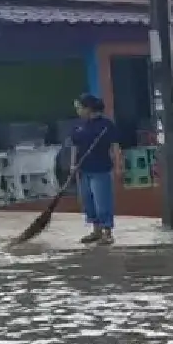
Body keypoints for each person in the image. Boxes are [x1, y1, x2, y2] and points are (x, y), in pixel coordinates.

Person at [69, 94, 120, 245]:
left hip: (101, 170)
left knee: (102, 202)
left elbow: (115, 146)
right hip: (84, 170)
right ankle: (96, 231)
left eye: (79, 107)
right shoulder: (79, 126)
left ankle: (107, 232)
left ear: (88, 108)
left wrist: (118, 165)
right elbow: (74, 146)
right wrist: (73, 165)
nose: (78, 111)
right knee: (88, 201)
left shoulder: (106, 125)